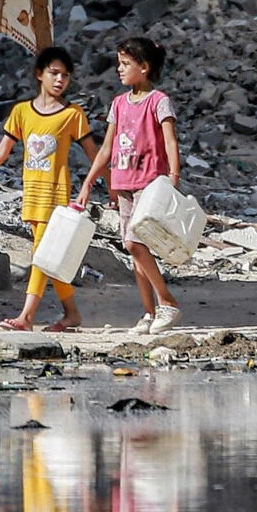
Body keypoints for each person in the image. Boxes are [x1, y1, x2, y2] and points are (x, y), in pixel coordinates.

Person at [0, 46, 103, 332]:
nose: (60, 80)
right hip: (31, 196)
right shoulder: (20, 112)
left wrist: (101, 185)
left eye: (65, 76)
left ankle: (26, 316)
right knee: (49, 257)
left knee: (42, 255)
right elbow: (3, 150)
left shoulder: (73, 114)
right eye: (54, 73)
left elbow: (94, 153)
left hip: (56, 197)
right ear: (39, 74)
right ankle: (72, 314)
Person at [75, 37, 183, 334]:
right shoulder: (119, 104)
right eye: (119, 63)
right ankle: (148, 313)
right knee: (136, 252)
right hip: (124, 185)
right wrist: (88, 184)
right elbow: (107, 147)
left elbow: (170, 141)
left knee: (133, 244)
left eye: (125, 64)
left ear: (144, 67)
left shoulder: (159, 102)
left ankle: (167, 302)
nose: (119, 70)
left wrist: (173, 177)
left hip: (150, 184)